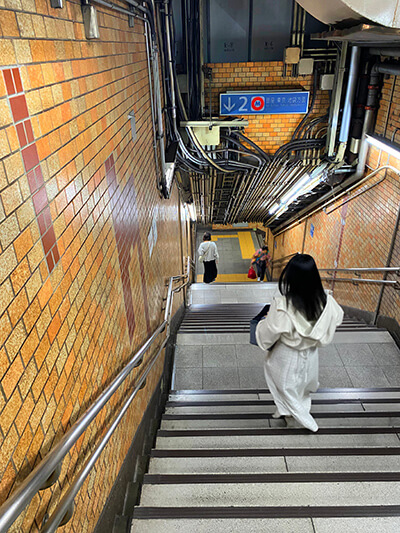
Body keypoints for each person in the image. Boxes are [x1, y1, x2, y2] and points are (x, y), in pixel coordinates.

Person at [255, 254, 343, 432]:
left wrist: (261, 324)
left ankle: (302, 419)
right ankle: (292, 412)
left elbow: (269, 333)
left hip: (286, 355)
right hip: (311, 354)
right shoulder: (326, 302)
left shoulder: (283, 305)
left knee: (284, 386)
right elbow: (337, 318)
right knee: (302, 387)